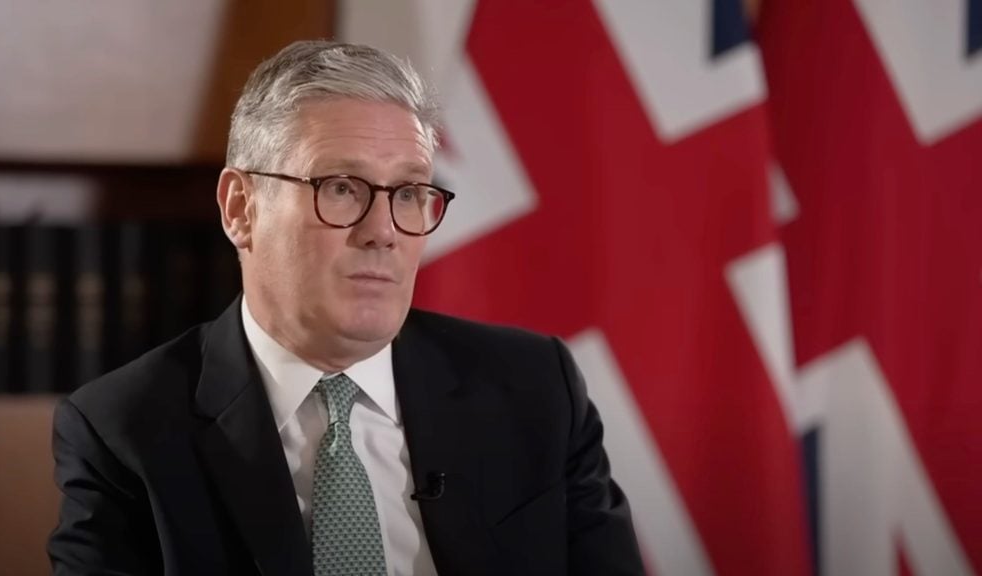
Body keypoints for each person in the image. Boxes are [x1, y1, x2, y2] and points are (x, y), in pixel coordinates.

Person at [48, 40, 644, 576]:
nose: (383, 231)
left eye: (409, 193)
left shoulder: (535, 388)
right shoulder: (123, 430)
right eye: (340, 187)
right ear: (240, 209)